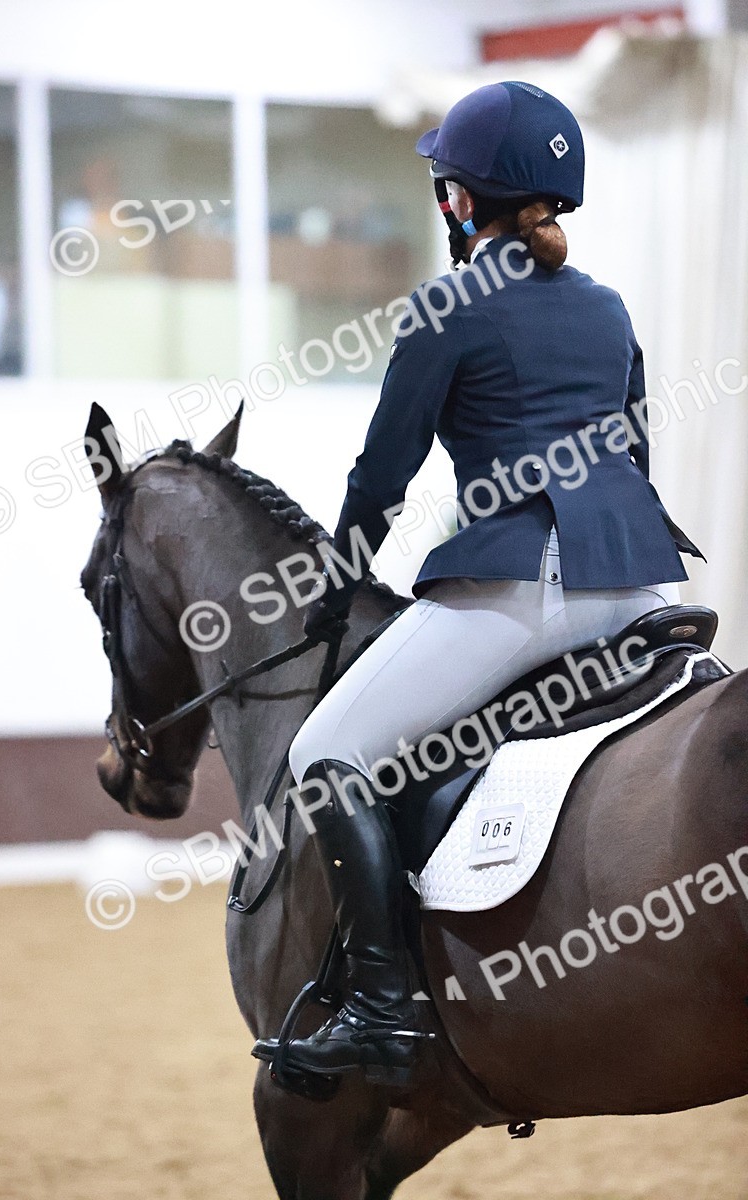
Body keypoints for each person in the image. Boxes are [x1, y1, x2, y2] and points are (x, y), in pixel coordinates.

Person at [256, 81, 704, 1084]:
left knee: (326, 750)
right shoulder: (606, 306)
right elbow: (632, 449)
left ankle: (381, 1007)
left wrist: (339, 581)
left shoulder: (445, 307)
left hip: (520, 588)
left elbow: (382, 474)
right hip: (640, 586)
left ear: (459, 201)